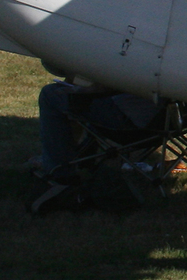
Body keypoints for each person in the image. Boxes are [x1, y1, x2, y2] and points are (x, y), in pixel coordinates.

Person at [31, 80, 163, 211]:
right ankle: (85, 155)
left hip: (130, 123)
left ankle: (59, 173)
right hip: (165, 122)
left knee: (51, 94)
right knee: (88, 98)